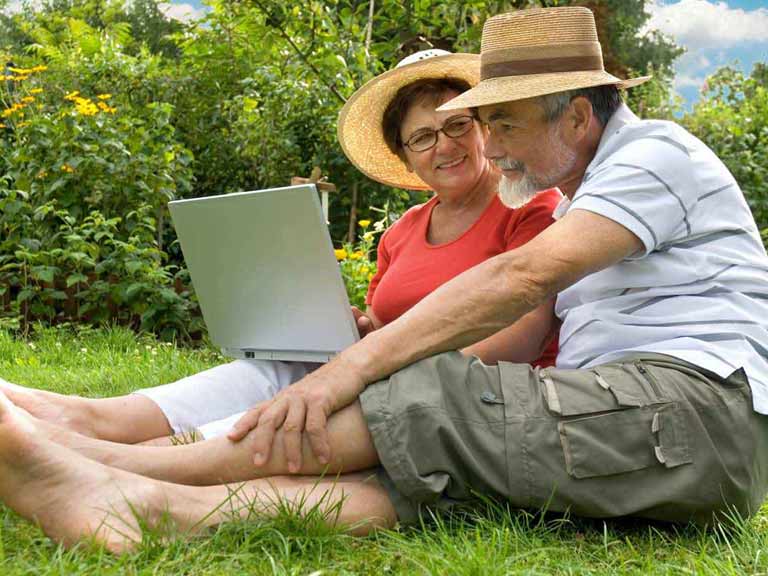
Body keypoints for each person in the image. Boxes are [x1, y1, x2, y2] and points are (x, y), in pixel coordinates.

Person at [0, 5, 766, 553]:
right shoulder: (575, 193)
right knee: (422, 477)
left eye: (501, 122)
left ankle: (108, 464)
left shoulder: (655, 155)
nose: (492, 147)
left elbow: (525, 277)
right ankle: (152, 506)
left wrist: (345, 375)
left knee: (424, 395)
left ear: (577, 117)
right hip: (637, 427)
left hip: (695, 412)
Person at [0, 51, 560, 485]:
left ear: (485, 127)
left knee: (319, 388)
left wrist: (380, 364)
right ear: (406, 157)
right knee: (279, 365)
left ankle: (130, 459)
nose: (445, 145)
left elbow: (523, 334)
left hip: (466, 388)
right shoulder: (403, 231)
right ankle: (89, 419)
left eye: (458, 125)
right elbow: (383, 319)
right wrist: (355, 330)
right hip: (381, 368)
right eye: (422, 137)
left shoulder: (531, 206)